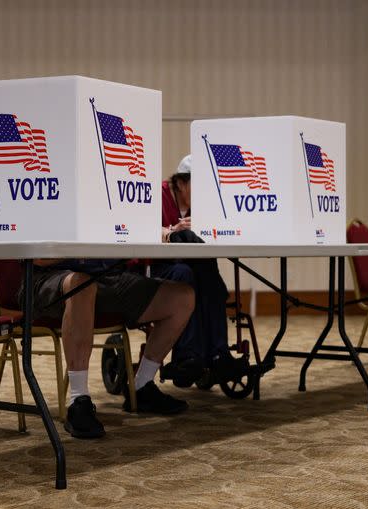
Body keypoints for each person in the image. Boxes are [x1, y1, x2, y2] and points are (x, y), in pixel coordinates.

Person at [20, 260, 195, 439]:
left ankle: (142, 385)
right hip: (47, 278)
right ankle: (78, 400)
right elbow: (38, 257)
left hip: (108, 278)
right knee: (81, 284)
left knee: (182, 297)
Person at [154, 155, 247, 385]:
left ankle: (218, 354)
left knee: (210, 277)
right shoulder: (158, 195)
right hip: (156, 266)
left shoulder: (204, 205)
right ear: (181, 182)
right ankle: (188, 356)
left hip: (190, 266)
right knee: (188, 275)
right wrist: (172, 230)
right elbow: (137, 228)